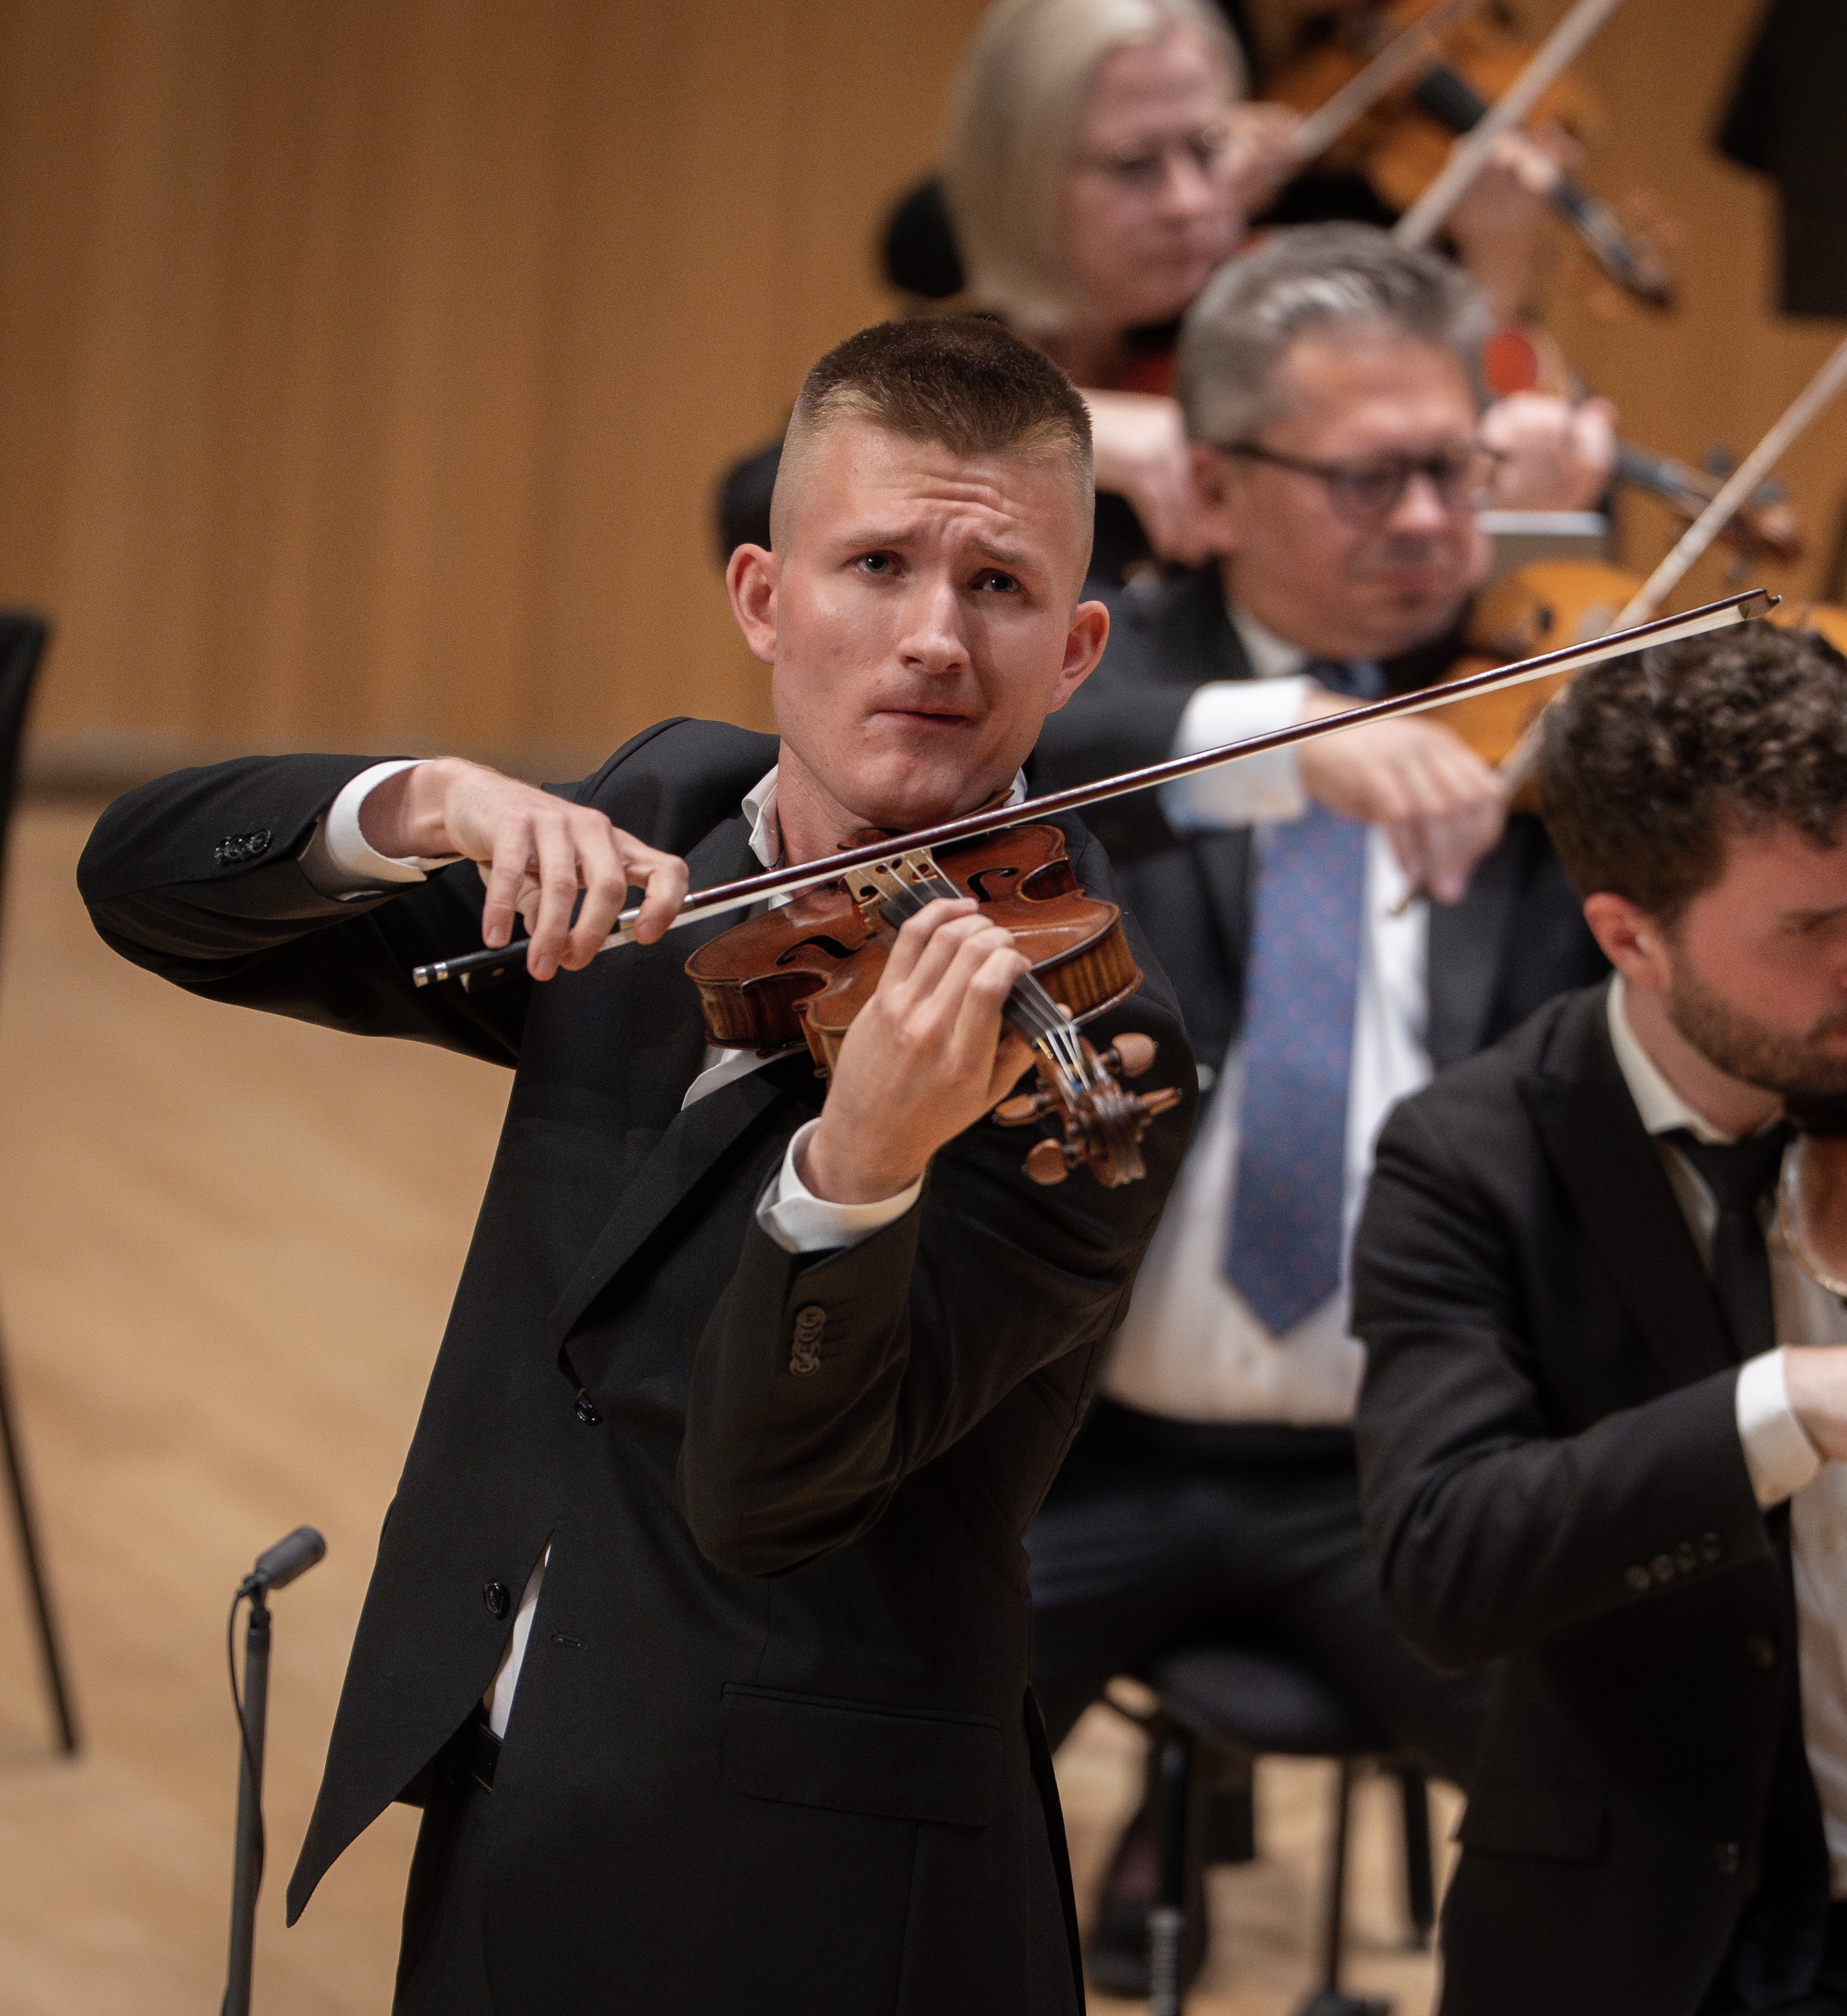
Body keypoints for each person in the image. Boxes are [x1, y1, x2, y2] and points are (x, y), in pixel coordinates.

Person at [78, 318, 1196, 2016]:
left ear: (1079, 645)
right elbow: (145, 889)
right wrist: (418, 803)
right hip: (507, 1770)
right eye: (876, 563)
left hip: (823, 1877)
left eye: (999, 588)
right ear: (762, 599)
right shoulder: (666, 824)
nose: (931, 640)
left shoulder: (1088, 1045)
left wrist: (861, 1169)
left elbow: (775, 1496)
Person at [1022, 219, 1609, 1990]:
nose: (1431, 523)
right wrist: (1275, 738)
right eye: (1369, 481)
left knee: (1643, 1798)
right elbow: (994, 765)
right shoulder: (1106, 687)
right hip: (1068, 1460)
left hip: (1413, 1474)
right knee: (821, 1767)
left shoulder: (1554, 712)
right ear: (1207, 483)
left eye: (1455, 469)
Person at [1352, 620, 1847, 2016]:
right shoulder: (1472, 1157)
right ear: (1630, 934)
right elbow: (1448, 1561)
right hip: (1641, 1925)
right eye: (1814, 929)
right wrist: (1788, 1403)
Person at [719, 0, 1610, 586]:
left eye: (1208, 151)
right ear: (1023, 179)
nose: (1191, 203)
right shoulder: (965, 359)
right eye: (1136, 166)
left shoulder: (1274, 335)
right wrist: (1063, 431)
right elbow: (758, 498)